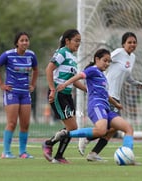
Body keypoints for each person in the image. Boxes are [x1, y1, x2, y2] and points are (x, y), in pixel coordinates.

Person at [54, 48, 135, 163]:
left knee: (128, 128)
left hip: (106, 107)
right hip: (96, 105)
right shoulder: (92, 70)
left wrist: (116, 104)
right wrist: (66, 83)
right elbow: (80, 76)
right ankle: (67, 134)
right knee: (101, 131)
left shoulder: (103, 77)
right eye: (105, 60)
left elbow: (105, 94)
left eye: (109, 62)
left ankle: (128, 157)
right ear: (97, 59)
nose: (107, 64)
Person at [78, 32, 142, 161]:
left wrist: (135, 83)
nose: (132, 44)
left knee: (112, 129)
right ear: (123, 44)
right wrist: (91, 69)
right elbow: (105, 59)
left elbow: (127, 76)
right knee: (110, 127)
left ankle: (93, 153)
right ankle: (87, 138)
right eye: (129, 42)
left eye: (134, 42)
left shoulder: (132, 58)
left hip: (116, 97)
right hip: (107, 94)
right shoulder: (119, 53)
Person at [42, 29, 86, 164]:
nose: (78, 44)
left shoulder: (73, 57)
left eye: (80, 41)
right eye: (76, 40)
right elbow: (49, 69)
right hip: (58, 95)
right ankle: (50, 146)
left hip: (67, 95)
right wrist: (52, 90)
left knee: (72, 128)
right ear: (67, 41)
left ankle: (56, 152)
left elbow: (73, 79)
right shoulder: (62, 52)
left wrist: (87, 89)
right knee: (72, 127)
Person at [0, 31, 38, 159]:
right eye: (22, 40)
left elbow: (36, 69)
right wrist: (1, 84)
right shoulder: (8, 55)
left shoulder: (31, 55)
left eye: (26, 40)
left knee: (25, 124)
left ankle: (23, 152)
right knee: (12, 122)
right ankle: (6, 152)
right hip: (12, 92)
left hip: (25, 93)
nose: (25, 42)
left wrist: (33, 84)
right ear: (17, 43)